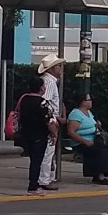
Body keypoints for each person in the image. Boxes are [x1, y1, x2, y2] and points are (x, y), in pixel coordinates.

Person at [18, 76, 57, 196]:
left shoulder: (24, 99)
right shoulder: (43, 103)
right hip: (39, 134)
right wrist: (54, 134)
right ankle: (33, 186)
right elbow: (49, 120)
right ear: (41, 88)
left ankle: (33, 184)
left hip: (25, 133)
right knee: (37, 161)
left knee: (33, 159)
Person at [67, 93, 108, 185]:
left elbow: (91, 125)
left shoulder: (89, 113)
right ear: (83, 102)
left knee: (106, 148)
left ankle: (98, 173)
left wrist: (97, 126)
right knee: (101, 150)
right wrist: (85, 141)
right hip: (81, 142)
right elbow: (71, 132)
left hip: (93, 139)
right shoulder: (76, 114)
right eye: (89, 100)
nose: (91, 101)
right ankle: (100, 176)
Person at [37, 53, 66, 189]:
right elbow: (45, 102)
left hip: (48, 119)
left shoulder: (46, 81)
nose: (60, 69)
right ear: (53, 68)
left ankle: (45, 177)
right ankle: (44, 179)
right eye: (58, 66)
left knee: (47, 151)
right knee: (48, 151)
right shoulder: (49, 83)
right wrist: (53, 120)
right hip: (50, 120)